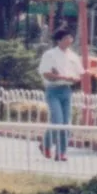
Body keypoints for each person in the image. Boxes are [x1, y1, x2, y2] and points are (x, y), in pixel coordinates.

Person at [38, 25, 84, 161]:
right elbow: (46, 73)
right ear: (59, 40)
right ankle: (46, 144)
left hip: (66, 91)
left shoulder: (73, 56)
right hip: (53, 90)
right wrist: (62, 77)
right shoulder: (50, 54)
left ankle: (61, 152)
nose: (69, 40)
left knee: (66, 122)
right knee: (57, 121)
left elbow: (79, 74)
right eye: (66, 38)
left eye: (70, 38)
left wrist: (75, 79)